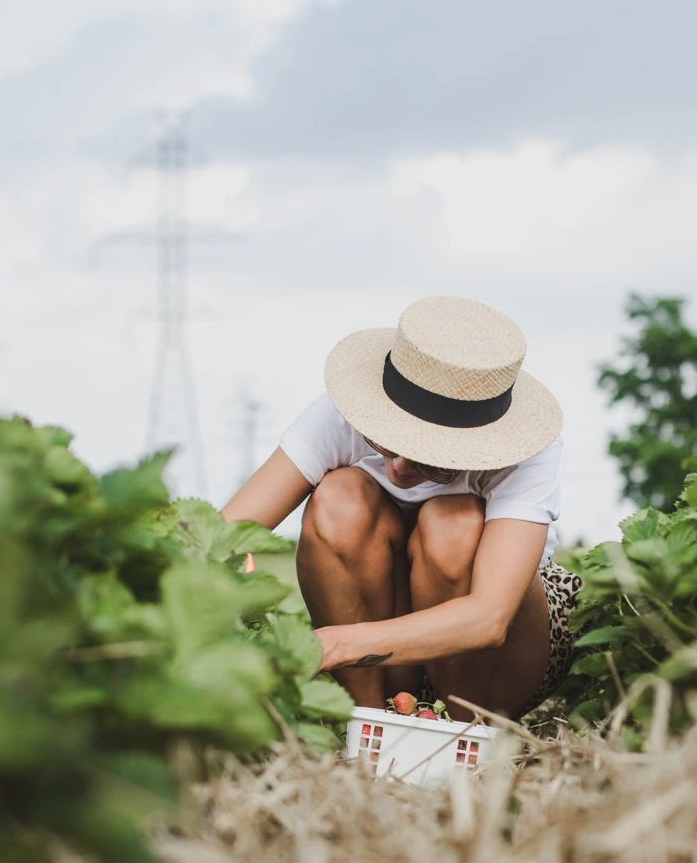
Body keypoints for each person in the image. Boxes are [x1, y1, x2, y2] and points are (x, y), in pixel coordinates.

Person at [222, 295, 582, 722]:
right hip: (386, 656)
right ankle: (368, 724)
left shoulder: (529, 451)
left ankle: (459, 731)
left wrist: (336, 645)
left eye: (428, 454)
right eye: (387, 441)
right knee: (339, 496)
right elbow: (223, 536)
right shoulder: (345, 410)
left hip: (497, 659)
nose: (398, 467)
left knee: (453, 522)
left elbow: (490, 617)